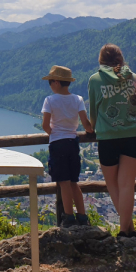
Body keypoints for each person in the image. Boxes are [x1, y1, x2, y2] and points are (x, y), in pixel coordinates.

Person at [88, 44, 136, 237]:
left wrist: (90, 128)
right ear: (121, 58)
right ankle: (128, 230)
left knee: (113, 185)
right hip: (135, 134)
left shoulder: (95, 80)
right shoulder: (134, 77)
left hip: (108, 137)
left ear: (101, 60)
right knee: (127, 184)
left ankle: (125, 230)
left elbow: (93, 112)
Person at [40, 65, 93, 227]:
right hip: (72, 142)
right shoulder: (78, 99)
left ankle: (69, 217)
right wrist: (91, 131)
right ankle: (82, 216)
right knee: (73, 182)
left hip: (58, 143)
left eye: (50, 81)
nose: (49, 84)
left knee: (63, 182)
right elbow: (86, 124)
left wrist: (53, 133)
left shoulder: (50, 100)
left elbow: (45, 125)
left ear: (56, 82)